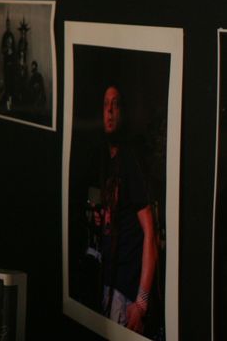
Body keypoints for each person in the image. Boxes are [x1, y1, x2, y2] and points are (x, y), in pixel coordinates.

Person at [91, 84, 159, 334]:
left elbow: (151, 233)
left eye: (116, 104)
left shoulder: (130, 158)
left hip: (126, 291)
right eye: (105, 105)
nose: (109, 110)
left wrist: (141, 303)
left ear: (123, 112)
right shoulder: (106, 160)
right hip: (109, 284)